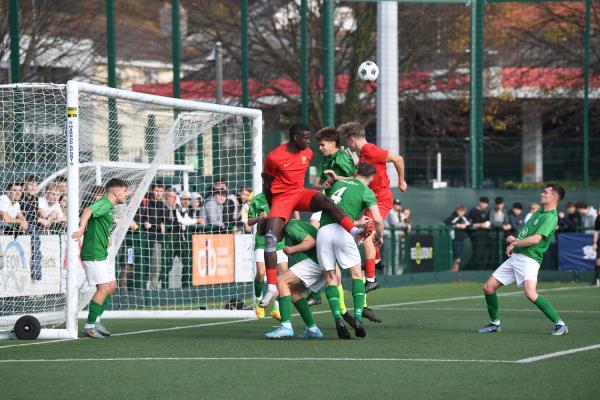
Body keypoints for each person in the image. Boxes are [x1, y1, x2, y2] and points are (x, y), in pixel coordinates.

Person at [259, 123, 371, 308]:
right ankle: (271, 286)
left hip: (300, 193)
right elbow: (267, 186)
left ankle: (353, 231)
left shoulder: (308, 153)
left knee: (327, 202)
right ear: (295, 138)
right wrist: (273, 212)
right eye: (306, 138)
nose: (309, 142)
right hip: (281, 198)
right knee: (270, 239)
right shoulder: (274, 157)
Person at [479, 183, 568, 336]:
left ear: (554, 197)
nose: (541, 194)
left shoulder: (550, 217)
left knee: (530, 293)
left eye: (545, 192)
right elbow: (527, 235)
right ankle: (495, 323)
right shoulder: (539, 212)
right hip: (516, 257)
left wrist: (515, 242)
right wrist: (516, 239)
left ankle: (560, 324)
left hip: (529, 259)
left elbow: (535, 239)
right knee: (488, 288)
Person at [316, 162, 384, 338]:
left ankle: (338, 318)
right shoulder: (366, 191)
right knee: (356, 275)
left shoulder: (338, 183)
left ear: (355, 172)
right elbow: (377, 219)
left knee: (330, 277)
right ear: (371, 178)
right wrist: (380, 236)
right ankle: (359, 318)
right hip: (343, 232)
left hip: (323, 232)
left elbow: (333, 205)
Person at [338, 121, 407, 291]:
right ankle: (376, 260)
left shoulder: (371, 150)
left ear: (353, 139)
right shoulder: (362, 155)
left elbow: (398, 158)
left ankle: (371, 278)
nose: (348, 145)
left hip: (381, 199)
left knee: (367, 235)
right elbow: (358, 179)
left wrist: (401, 180)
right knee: (358, 234)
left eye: (348, 141)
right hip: (369, 199)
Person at [72, 178, 129, 339]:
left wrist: (107, 235)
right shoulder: (105, 202)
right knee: (103, 288)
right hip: (93, 253)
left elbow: (99, 222)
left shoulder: (109, 206)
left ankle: (96, 321)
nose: (128, 194)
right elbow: (88, 211)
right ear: (116, 192)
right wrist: (82, 228)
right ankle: (89, 327)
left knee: (111, 287)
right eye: (125, 191)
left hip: (101, 253)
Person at [307, 127, 357, 306]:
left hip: (341, 206)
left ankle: (361, 298)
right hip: (326, 203)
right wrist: (323, 185)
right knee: (314, 240)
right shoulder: (325, 160)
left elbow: (355, 179)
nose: (319, 148)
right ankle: (318, 290)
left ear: (333, 143)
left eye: (322, 145)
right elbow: (317, 185)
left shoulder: (342, 157)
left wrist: (337, 178)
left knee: (345, 263)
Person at [265, 220, 328, 339]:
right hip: (324, 263)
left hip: (319, 260)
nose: (269, 239)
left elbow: (310, 242)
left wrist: (291, 250)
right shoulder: (290, 228)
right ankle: (313, 329)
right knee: (294, 292)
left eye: (269, 234)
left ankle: (286, 327)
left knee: (281, 281)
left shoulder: (290, 226)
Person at [247, 192, 288, 320]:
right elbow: (249, 222)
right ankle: (258, 301)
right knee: (261, 272)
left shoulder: (281, 197)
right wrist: (259, 218)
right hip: (262, 242)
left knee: (283, 276)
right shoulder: (257, 199)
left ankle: (276, 307)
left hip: (279, 243)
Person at [162, 188, 192, 288]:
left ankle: (186, 287)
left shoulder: (183, 210)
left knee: (187, 264)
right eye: (169, 196)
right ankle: (162, 288)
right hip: (167, 241)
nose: (171, 199)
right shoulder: (163, 207)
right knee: (165, 266)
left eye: (174, 197)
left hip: (180, 242)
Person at [142, 181, 166, 290]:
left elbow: (164, 222)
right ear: (152, 191)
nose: (159, 193)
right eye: (157, 190)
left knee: (156, 266)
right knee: (143, 266)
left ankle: (152, 289)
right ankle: (141, 290)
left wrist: (161, 224)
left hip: (156, 239)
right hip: (143, 239)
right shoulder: (145, 202)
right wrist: (145, 223)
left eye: (161, 191)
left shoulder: (162, 205)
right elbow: (141, 219)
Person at [20, 175, 44, 280]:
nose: (33, 187)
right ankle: (36, 273)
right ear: (25, 185)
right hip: (21, 226)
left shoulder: (36, 199)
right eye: (31, 184)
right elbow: (25, 216)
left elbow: (40, 215)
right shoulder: (20, 197)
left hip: (32, 227)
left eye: (36, 185)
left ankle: (37, 272)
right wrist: (39, 219)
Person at [466, 197, 491, 270]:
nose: (484, 205)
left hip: (485, 236)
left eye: (486, 203)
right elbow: (469, 224)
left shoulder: (486, 212)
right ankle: (471, 270)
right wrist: (480, 225)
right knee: (477, 254)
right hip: (476, 236)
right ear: (479, 202)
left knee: (483, 254)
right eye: (483, 203)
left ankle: (479, 270)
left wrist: (487, 224)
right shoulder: (473, 211)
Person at [444, 204, 470, 272]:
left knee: (459, 257)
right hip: (455, 239)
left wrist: (464, 226)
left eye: (463, 211)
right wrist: (456, 225)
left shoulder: (465, 218)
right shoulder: (453, 217)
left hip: (462, 239)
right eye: (460, 211)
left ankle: (455, 271)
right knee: (457, 257)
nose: (461, 213)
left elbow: (469, 224)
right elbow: (447, 222)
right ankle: (454, 271)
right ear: (457, 211)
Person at [592, 212, 600, 286]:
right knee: (598, 260)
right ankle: (596, 279)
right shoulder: (598, 218)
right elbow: (596, 231)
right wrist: (594, 243)